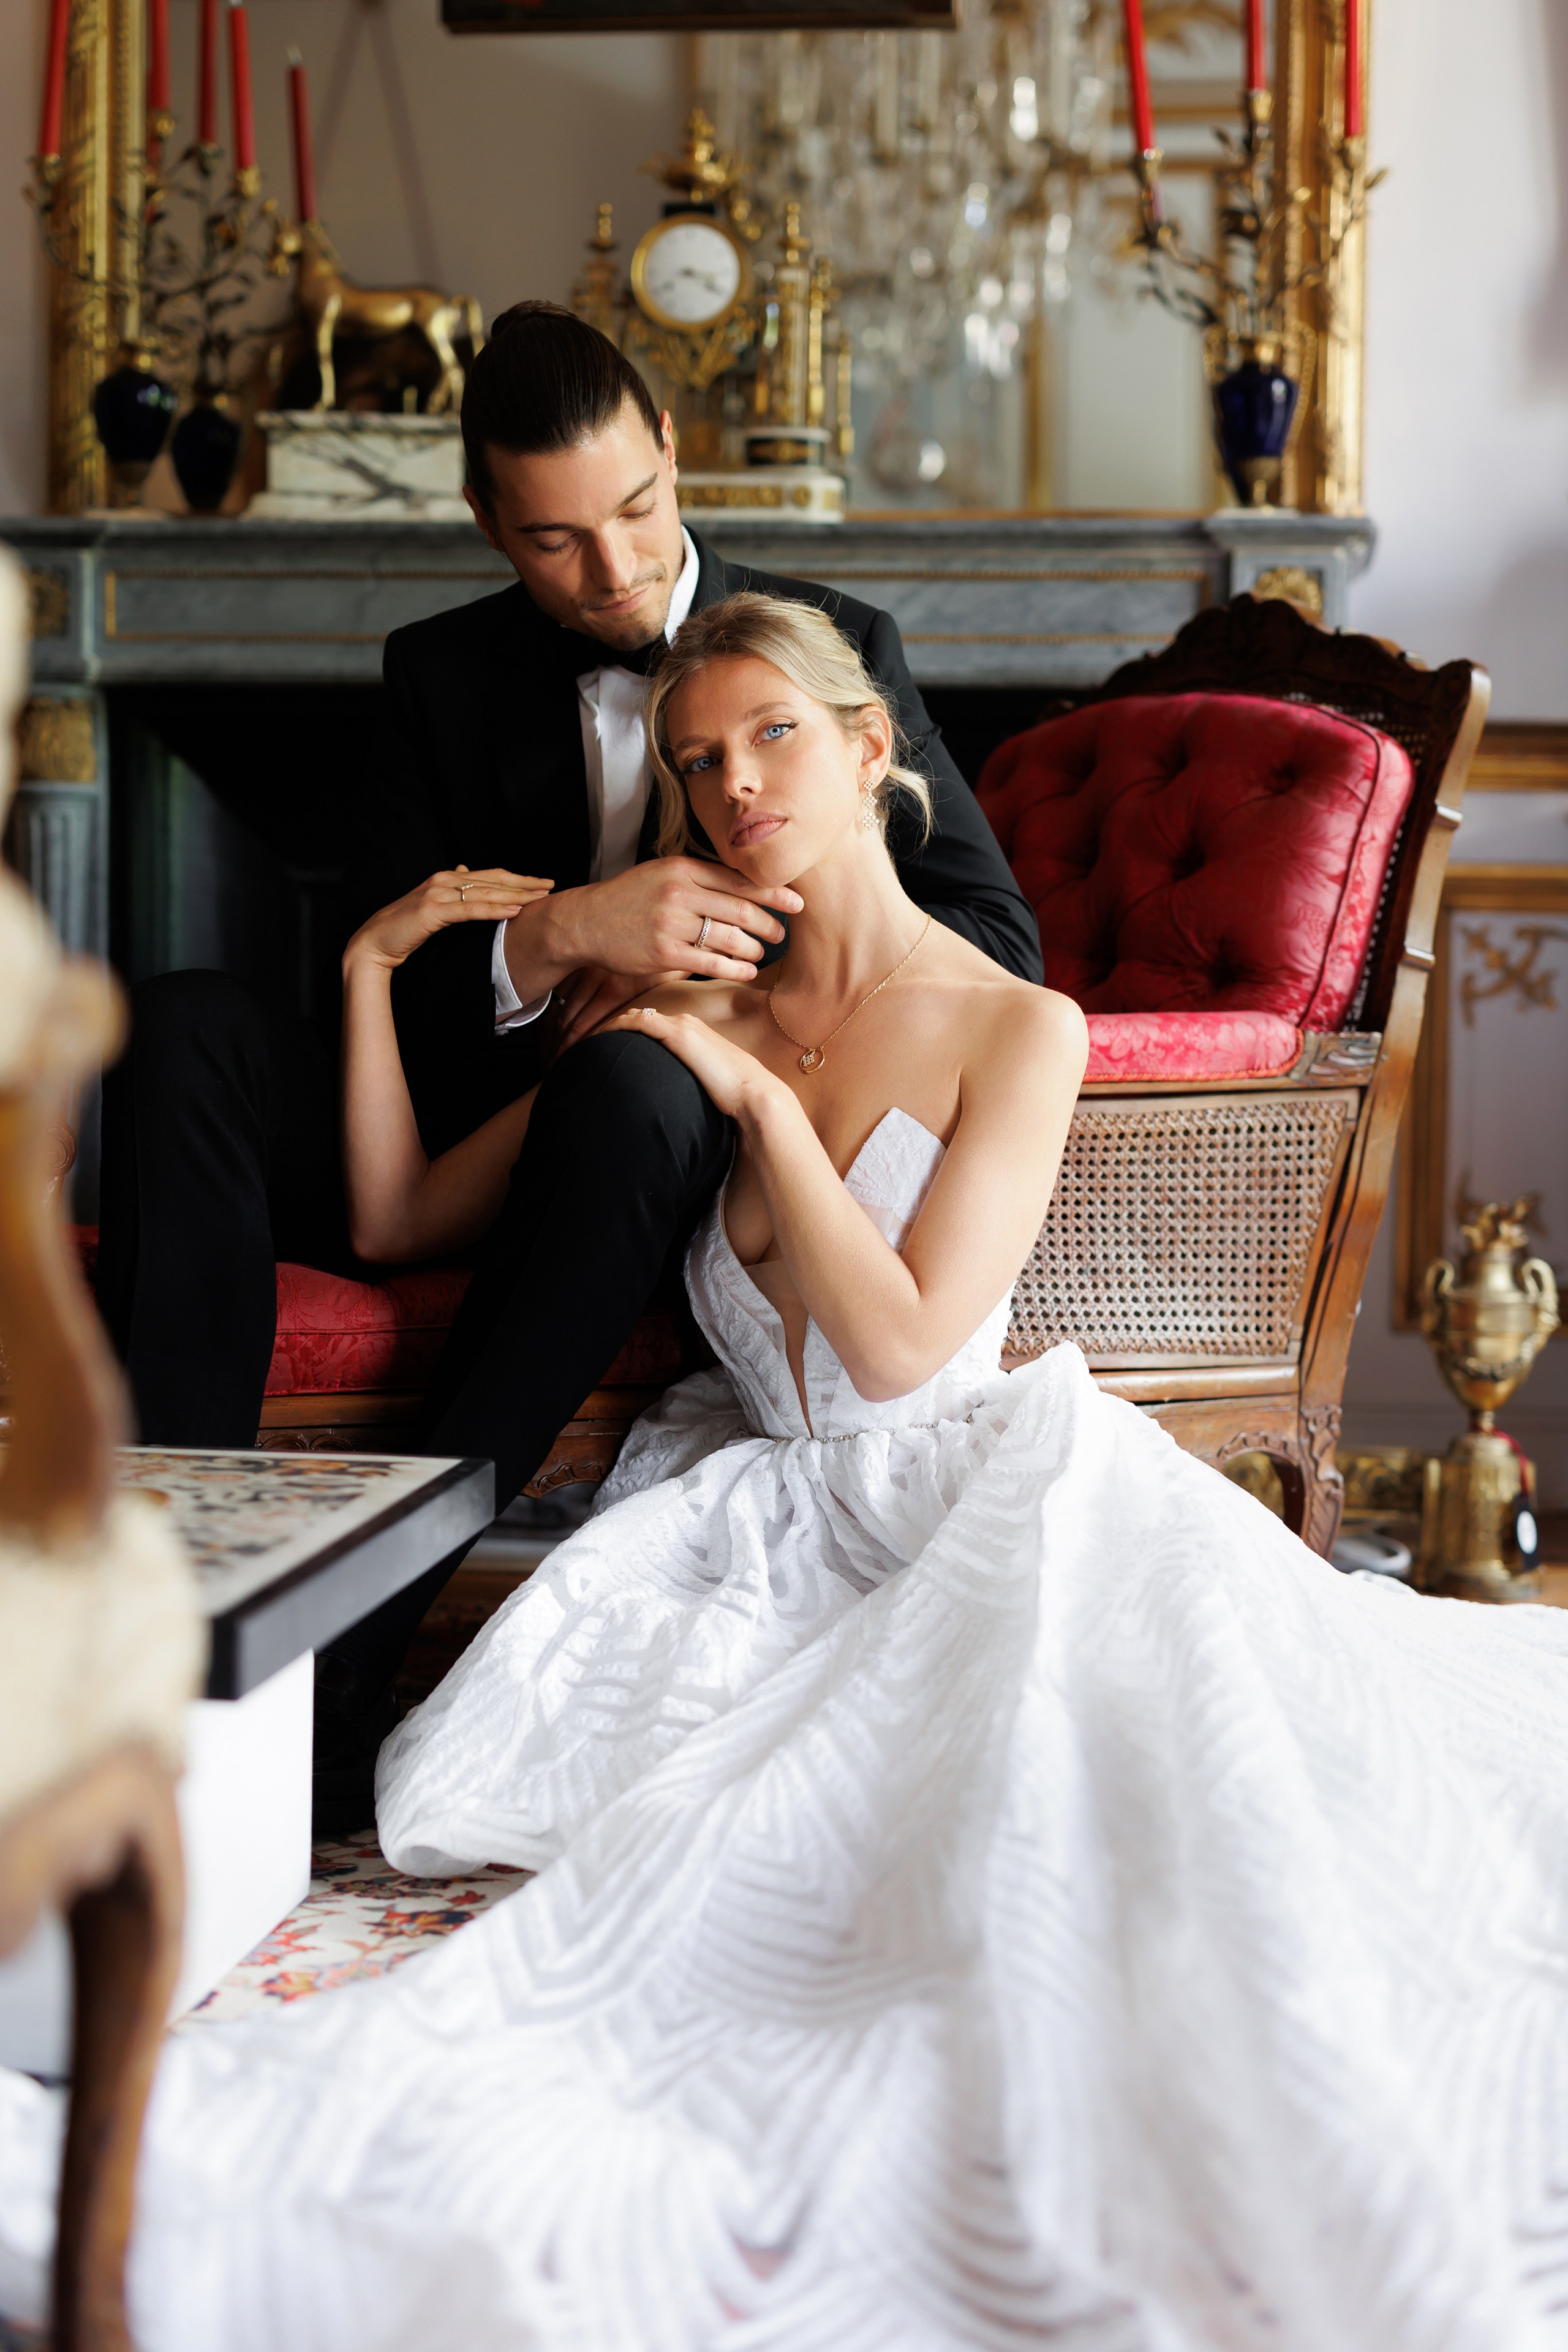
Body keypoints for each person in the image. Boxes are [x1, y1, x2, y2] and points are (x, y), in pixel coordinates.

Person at [10, 593, 1568, 2352]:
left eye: (772, 737)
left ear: (871, 748)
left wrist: (751, 1102)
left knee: (1019, 1860)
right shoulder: (689, 1003)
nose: (733, 785)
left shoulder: (1018, 1027)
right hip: (746, 1497)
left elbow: (899, 1348)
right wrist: (375, 969)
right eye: (695, 762)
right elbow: (397, 1215)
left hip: (957, 1487)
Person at [94, 302, 1041, 1812]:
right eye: (553, 541)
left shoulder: (828, 649)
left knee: (632, 1084)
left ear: (670, 448)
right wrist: (556, 938)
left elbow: (990, 937)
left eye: (637, 511)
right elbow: (396, 966)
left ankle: (350, 1659)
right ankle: (162, 1613)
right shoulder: (437, 672)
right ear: (487, 522)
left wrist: (717, 957)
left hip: (668, 1116)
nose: (613, 571)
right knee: (183, 1023)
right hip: (451, 1114)